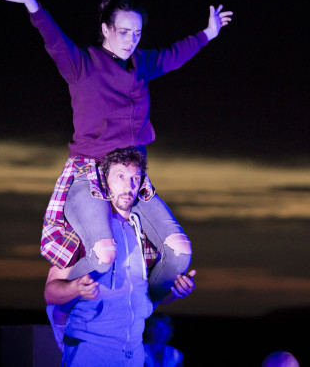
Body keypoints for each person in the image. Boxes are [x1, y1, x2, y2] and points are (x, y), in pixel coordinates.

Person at [0, 0, 231, 305]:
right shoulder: (83, 65)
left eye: (136, 34)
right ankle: (69, 299)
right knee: (105, 253)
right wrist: (32, 4)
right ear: (106, 29)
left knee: (180, 253)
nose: (131, 41)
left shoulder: (141, 64)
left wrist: (208, 34)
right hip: (90, 174)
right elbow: (54, 40)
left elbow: (174, 54)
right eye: (123, 32)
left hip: (132, 177)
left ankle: (143, 309)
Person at [44, 146, 196, 366]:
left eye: (135, 178)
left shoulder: (145, 234)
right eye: (121, 176)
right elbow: (50, 292)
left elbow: (144, 299)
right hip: (89, 348)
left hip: (133, 350)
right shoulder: (88, 231)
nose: (129, 186)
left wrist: (176, 291)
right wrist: (75, 288)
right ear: (106, 181)